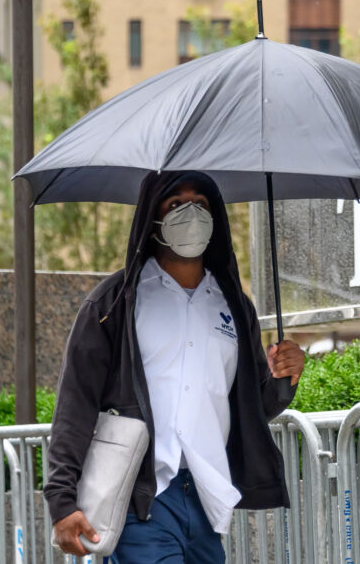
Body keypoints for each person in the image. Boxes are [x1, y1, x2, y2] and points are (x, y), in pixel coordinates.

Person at [46, 170, 305, 562]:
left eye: (200, 204)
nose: (191, 213)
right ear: (152, 220)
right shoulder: (113, 305)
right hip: (140, 500)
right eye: (176, 203)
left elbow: (254, 407)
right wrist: (62, 501)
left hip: (206, 496)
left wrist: (284, 378)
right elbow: (74, 404)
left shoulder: (234, 305)